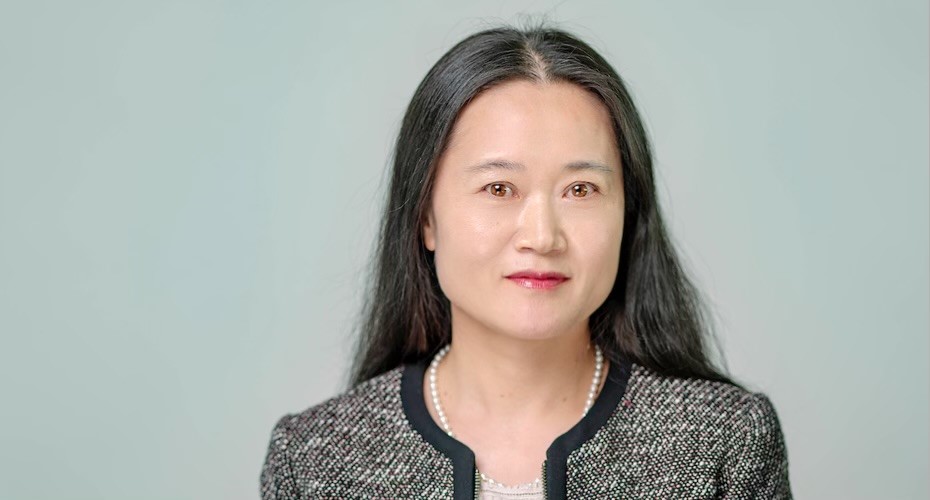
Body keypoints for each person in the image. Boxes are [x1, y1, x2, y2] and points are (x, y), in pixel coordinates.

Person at [261, 21, 791, 500]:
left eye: (580, 189)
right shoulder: (313, 462)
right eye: (499, 188)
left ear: (628, 213)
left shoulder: (726, 443)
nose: (542, 237)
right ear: (425, 218)